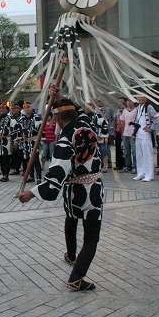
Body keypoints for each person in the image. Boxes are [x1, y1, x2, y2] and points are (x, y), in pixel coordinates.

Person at [18, 98, 103, 292]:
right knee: (91, 238)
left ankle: (74, 267)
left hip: (75, 193)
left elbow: (55, 176)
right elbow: (77, 108)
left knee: (72, 218)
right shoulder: (85, 125)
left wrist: (31, 192)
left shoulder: (65, 140)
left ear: (56, 117)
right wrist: (56, 97)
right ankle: (76, 271)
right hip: (94, 192)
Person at [133, 96, 157, 182]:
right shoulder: (138, 107)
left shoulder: (149, 107)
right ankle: (140, 173)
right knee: (139, 155)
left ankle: (149, 175)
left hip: (146, 134)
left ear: (145, 98)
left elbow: (157, 117)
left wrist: (151, 127)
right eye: (138, 97)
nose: (139, 99)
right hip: (138, 134)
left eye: (141, 97)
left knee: (147, 155)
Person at [19, 101, 43, 183]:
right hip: (25, 143)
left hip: (34, 142)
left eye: (28, 107)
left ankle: (39, 177)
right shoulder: (22, 118)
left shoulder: (36, 117)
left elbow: (41, 132)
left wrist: (34, 138)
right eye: (24, 107)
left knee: (35, 160)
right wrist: (21, 137)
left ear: (31, 108)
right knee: (28, 161)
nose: (26, 109)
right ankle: (31, 176)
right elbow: (20, 130)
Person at [0, 103, 16, 182]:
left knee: (5, 159)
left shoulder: (10, 118)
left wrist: (13, 139)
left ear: (6, 109)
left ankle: (6, 175)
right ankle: (3, 174)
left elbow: (14, 130)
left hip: (6, 142)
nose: (1, 109)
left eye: (3, 108)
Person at [119, 99, 137, 173]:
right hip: (125, 133)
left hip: (133, 133)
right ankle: (128, 166)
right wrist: (122, 132)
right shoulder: (125, 110)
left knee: (134, 152)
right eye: (128, 101)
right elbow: (122, 121)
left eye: (131, 101)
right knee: (126, 151)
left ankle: (135, 167)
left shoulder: (137, 110)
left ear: (134, 102)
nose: (129, 102)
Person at [9, 102, 24, 175]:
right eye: (12, 108)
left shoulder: (23, 117)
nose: (14, 110)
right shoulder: (9, 117)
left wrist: (19, 139)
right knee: (14, 154)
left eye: (15, 108)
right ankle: (16, 169)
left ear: (19, 109)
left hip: (22, 139)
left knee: (22, 154)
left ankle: (25, 170)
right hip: (12, 138)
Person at [113, 98, 126, 170]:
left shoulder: (126, 110)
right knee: (117, 148)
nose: (120, 103)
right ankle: (118, 164)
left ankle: (125, 165)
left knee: (124, 149)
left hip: (124, 132)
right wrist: (114, 131)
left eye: (122, 102)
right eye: (119, 101)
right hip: (118, 131)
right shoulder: (117, 111)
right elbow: (115, 121)